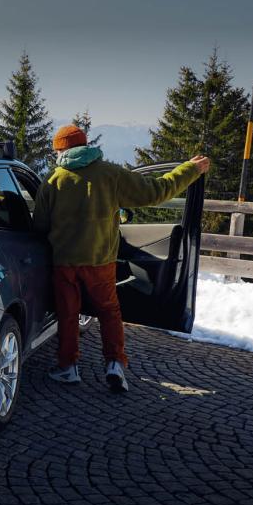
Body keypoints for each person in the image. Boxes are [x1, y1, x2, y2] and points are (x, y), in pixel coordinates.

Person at [32, 124, 209, 393]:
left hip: (64, 263)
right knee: (109, 312)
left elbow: (40, 226)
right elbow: (156, 191)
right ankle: (114, 364)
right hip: (101, 262)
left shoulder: (53, 180)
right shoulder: (110, 174)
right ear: (85, 145)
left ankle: (68, 367)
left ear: (61, 151)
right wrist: (190, 170)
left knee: (68, 314)